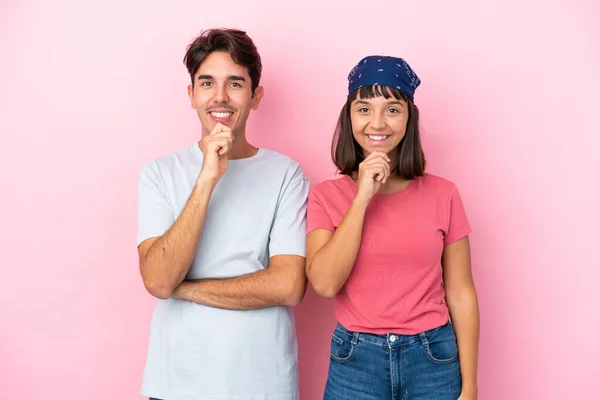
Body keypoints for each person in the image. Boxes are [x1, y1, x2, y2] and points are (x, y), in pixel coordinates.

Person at [136, 28, 309, 400]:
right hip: (177, 383)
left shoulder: (286, 174)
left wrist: (184, 289)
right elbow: (159, 278)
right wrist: (207, 179)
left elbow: (288, 286)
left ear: (255, 95)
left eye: (235, 83)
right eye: (207, 83)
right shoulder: (158, 173)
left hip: (263, 383)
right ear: (191, 95)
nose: (220, 97)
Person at [306, 56, 480, 399]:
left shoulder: (443, 193)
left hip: (433, 357)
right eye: (364, 108)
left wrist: (471, 386)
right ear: (350, 117)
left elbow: (461, 292)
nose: (378, 122)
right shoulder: (326, 196)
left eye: (392, 109)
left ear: (408, 118)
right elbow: (325, 283)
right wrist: (362, 198)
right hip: (356, 361)